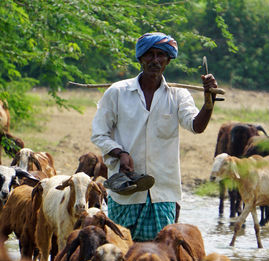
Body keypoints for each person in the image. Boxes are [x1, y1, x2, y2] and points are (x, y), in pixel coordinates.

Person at [91, 32, 218, 241]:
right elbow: (99, 133)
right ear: (140, 59)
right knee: (122, 255)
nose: (155, 60)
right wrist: (120, 152)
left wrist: (208, 101)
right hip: (126, 192)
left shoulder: (178, 96)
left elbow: (196, 126)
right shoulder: (117, 92)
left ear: (168, 60)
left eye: (161, 55)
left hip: (163, 194)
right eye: (149, 55)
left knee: (160, 257)